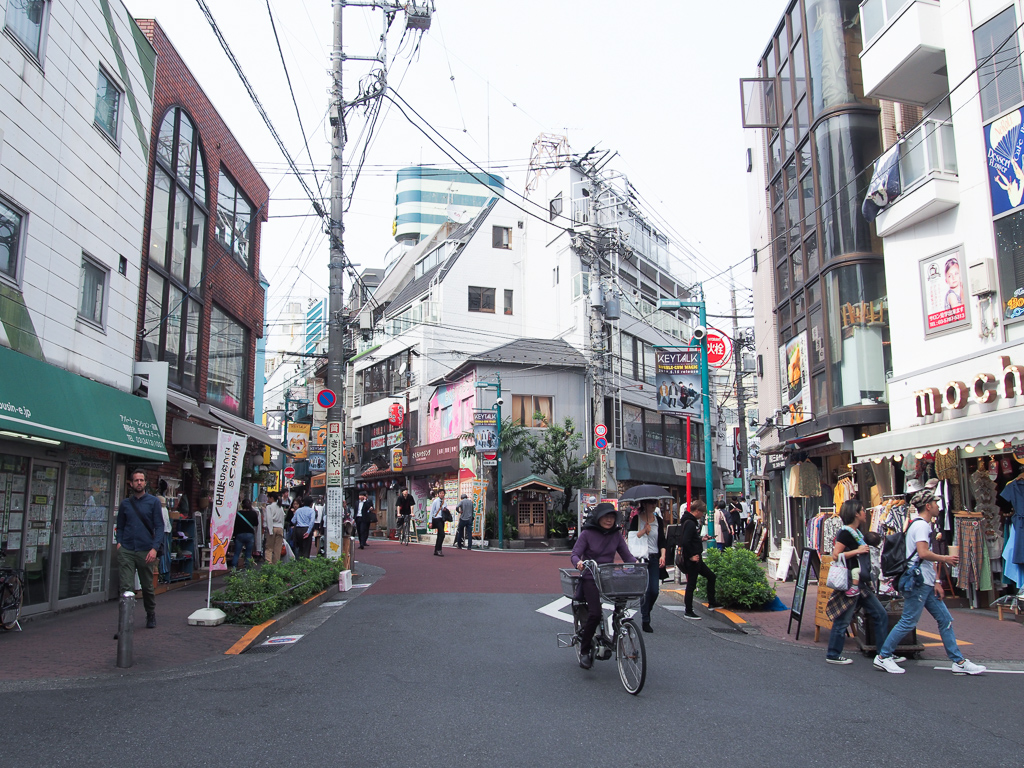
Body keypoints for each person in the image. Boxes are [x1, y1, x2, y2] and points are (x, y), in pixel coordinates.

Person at [874, 489, 986, 675]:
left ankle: (958, 661)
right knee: (909, 621)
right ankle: (884, 656)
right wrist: (945, 558)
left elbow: (923, 557)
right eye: (935, 503)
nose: (938, 506)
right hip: (918, 582)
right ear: (928, 506)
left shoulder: (917, 525)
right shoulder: (922, 526)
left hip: (923, 582)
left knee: (944, 619)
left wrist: (936, 581)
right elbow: (923, 553)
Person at [824, 500, 893, 665]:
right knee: (843, 619)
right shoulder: (845, 533)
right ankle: (833, 654)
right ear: (855, 513)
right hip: (850, 582)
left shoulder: (858, 533)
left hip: (860, 583)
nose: (865, 513)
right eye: (862, 510)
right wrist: (858, 551)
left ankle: (883, 654)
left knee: (880, 614)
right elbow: (835, 555)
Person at [570, 503, 637, 669]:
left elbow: (627, 556)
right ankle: (585, 651)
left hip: (609, 577)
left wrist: (637, 565)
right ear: (598, 518)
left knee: (621, 606)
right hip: (590, 577)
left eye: (612, 517)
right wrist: (578, 563)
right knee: (595, 613)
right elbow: (575, 554)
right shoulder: (587, 533)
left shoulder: (616, 535)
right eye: (605, 516)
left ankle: (615, 627)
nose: (609, 520)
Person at [115, 469, 164, 630]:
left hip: (145, 550)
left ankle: (150, 613)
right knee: (126, 587)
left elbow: (159, 527)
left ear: (145, 483)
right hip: (127, 549)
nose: (139, 483)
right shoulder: (125, 504)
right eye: (136, 480)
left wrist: (154, 548)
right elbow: (120, 525)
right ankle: (125, 619)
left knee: (147, 586)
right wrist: (119, 542)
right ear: (131, 483)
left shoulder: (153, 502)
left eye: (141, 480)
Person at [627, 499, 667, 633]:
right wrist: (644, 530)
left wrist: (663, 555)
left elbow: (662, 540)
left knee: (654, 590)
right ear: (644, 504)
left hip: (655, 558)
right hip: (642, 558)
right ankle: (645, 619)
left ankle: (647, 611)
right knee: (645, 591)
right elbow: (632, 538)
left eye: (655, 503)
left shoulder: (658, 520)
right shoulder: (637, 519)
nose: (654, 505)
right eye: (651, 503)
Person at [679, 500, 718, 619]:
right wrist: (691, 556)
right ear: (697, 511)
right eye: (702, 512)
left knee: (711, 576)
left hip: (696, 558)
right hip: (693, 559)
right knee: (691, 584)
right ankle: (688, 611)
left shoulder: (688, 521)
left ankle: (712, 602)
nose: (702, 515)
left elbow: (690, 539)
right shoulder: (690, 523)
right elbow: (685, 541)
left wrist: (701, 539)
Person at [263, 491, 285, 564]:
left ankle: (268, 564)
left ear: (271, 498)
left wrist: (270, 530)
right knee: (277, 549)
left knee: (269, 548)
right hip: (280, 528)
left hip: (272, 527)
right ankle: (276, 565)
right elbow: (283, 519)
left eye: (268, 498)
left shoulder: (269, 507)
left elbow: (269, 519)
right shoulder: (280, 507)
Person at [430, 489, 448, 556]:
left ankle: (436, 550)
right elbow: (432, 511)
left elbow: (446, 509)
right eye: (440, 493)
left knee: (440, 535)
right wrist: (430, 522)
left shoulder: (444, 502)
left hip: (442, 519)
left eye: (443, 493)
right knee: (442, 534)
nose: (442, 494)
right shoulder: (435, 501)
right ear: (438, 494)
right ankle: (439, 550)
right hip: (436, 518)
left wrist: (445, 510)